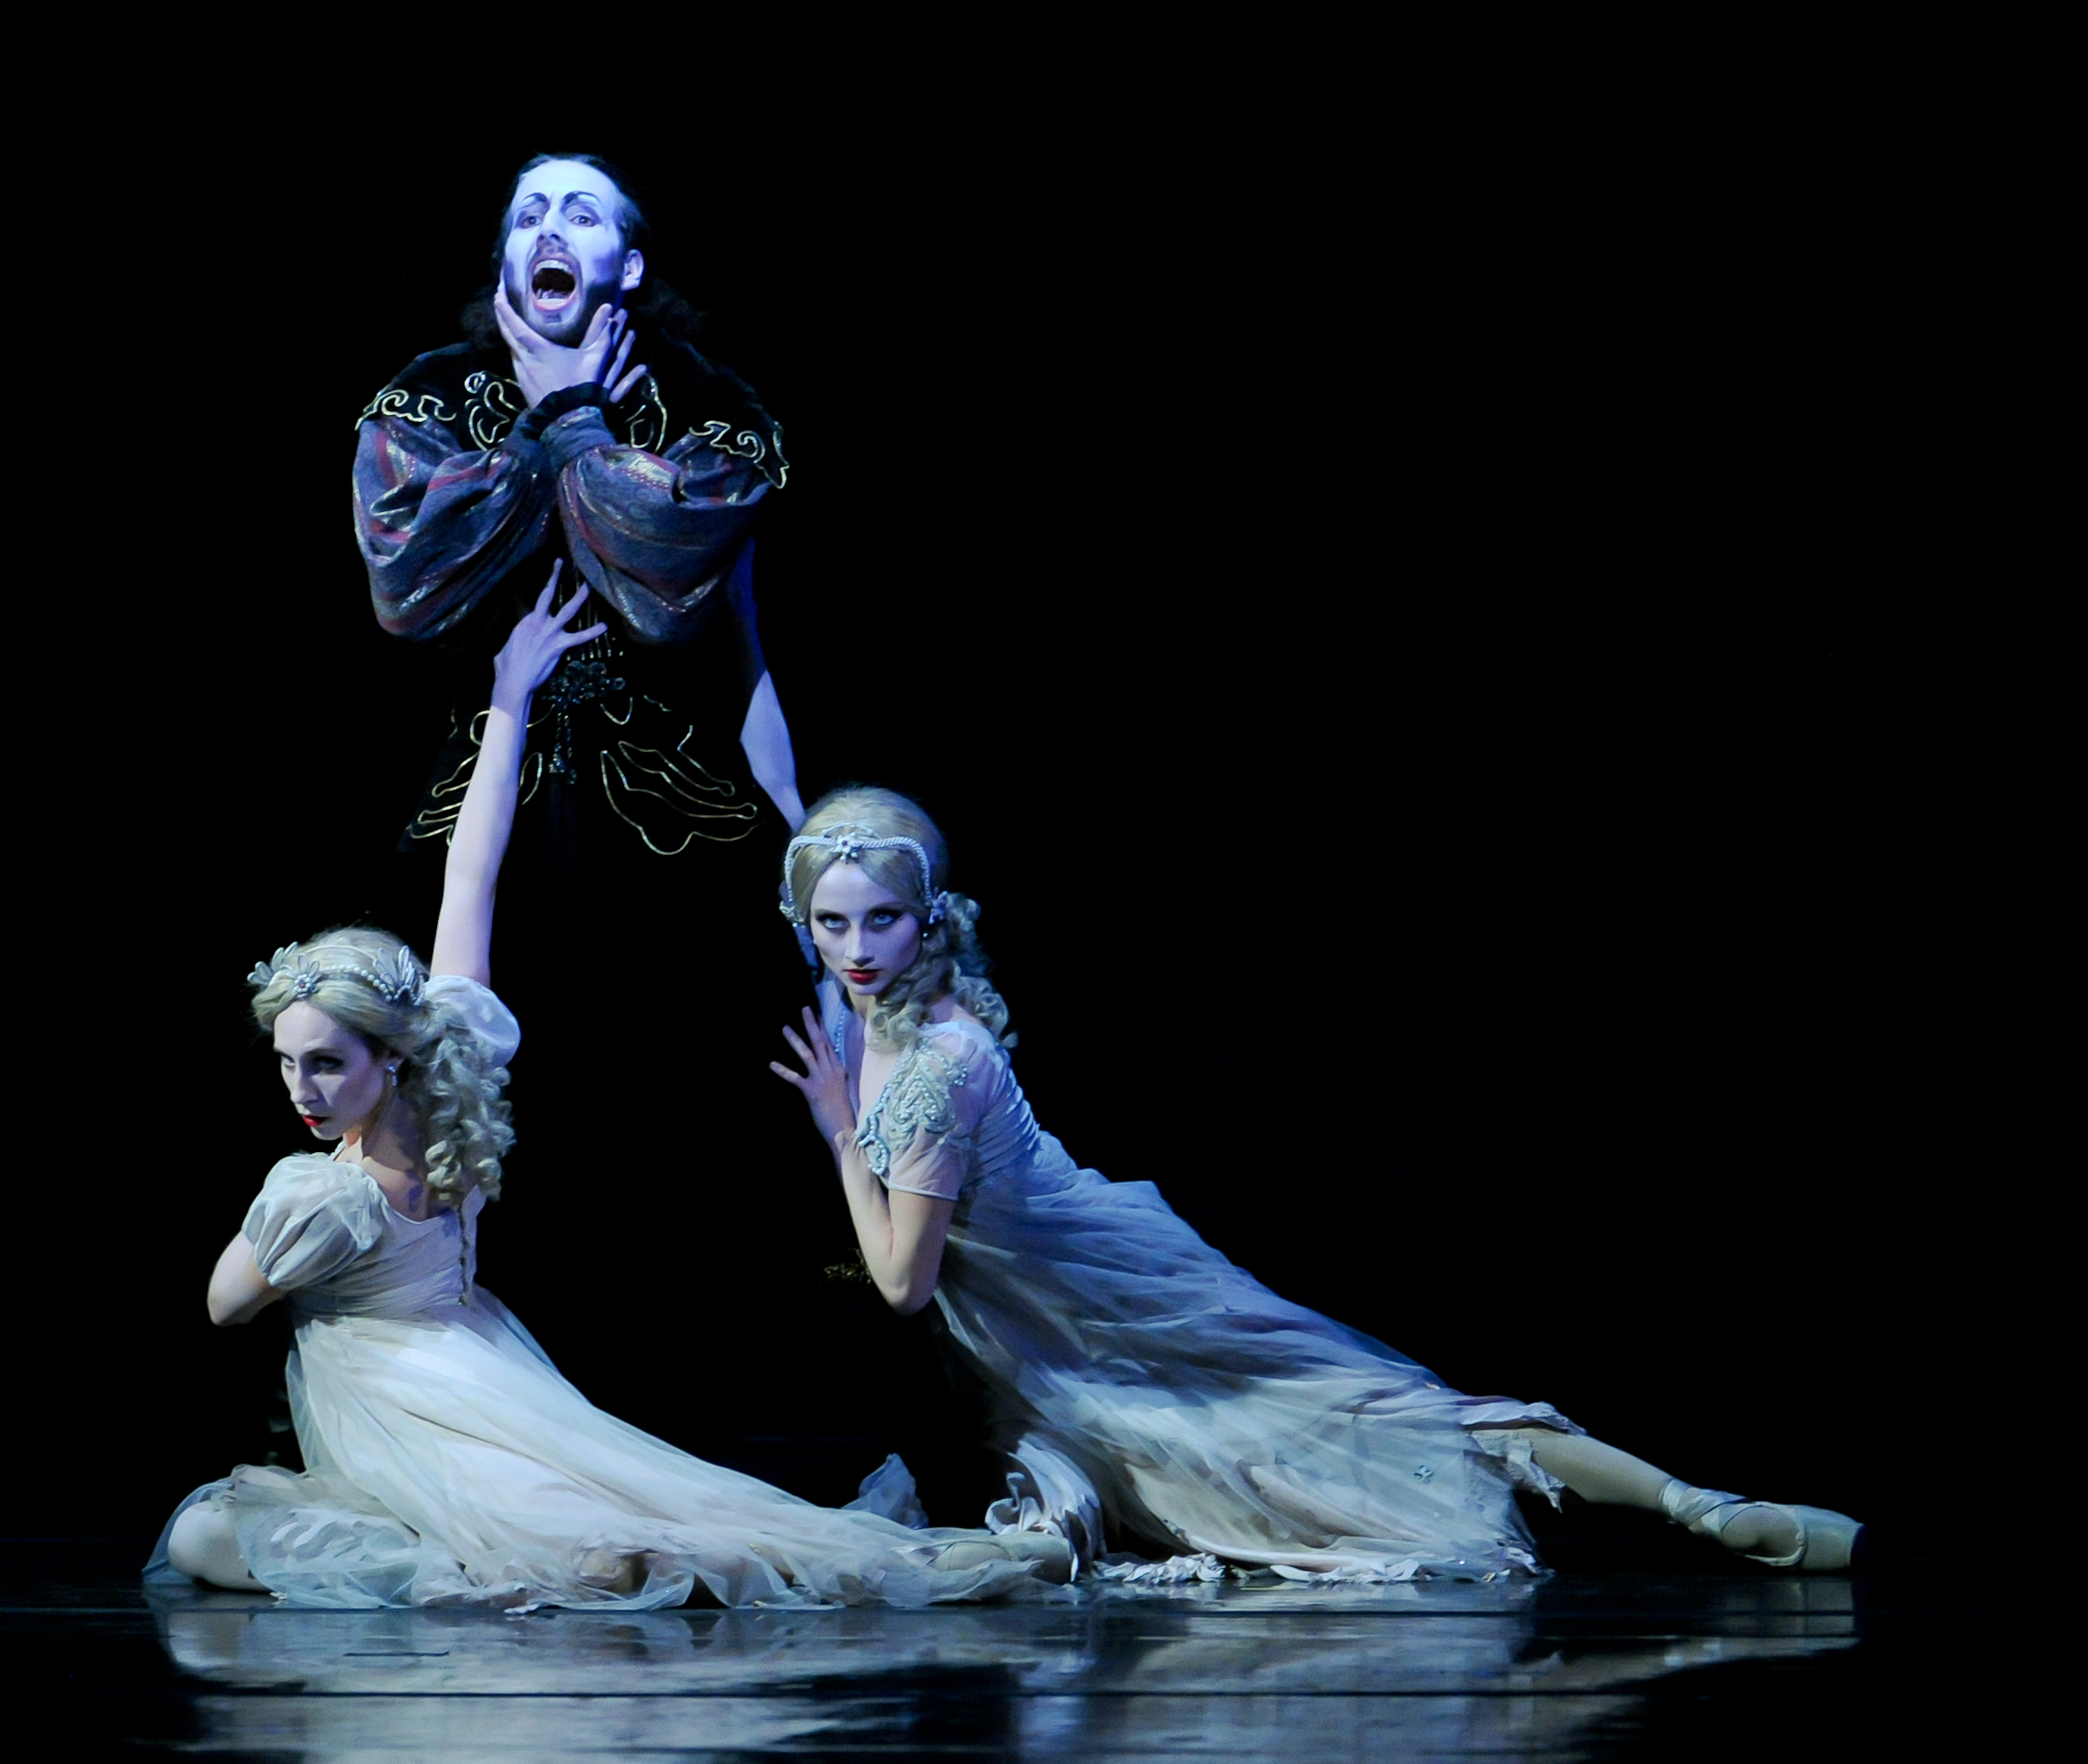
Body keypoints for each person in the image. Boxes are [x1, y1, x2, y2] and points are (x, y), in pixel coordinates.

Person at [146, 578, 1062, 1610]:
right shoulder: (457, 1073)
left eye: (324, 1064)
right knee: (578, 1506)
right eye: (287, 1064)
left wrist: (508, 701)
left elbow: (226, 1303)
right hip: (486, 1368)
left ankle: (586, 1571)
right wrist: (508, 700)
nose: (302, 1090)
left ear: (386, 1058)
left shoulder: (320, 1194)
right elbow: (468, 875)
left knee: (227, 1534)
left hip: (415, 1400)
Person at [766, 787, 1865, 1582]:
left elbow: (904, 1285)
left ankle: (1699, 1506)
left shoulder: (936, 1066)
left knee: (1334, 1427)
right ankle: (1691, 1504)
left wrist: (835, 1135)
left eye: (884, 919)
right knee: (1301, 1434)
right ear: (801, 921)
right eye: (833, 922)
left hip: (1092, 1307)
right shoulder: (871, 1011)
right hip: (1053, 1303)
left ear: (930, 918)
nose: (857, 947)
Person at [354, 151, 803, 883]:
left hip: (682, 819)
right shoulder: (427, 396)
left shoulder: (710, 402)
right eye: (529, 218)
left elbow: (669, 585)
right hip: (475, 806)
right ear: (504, 261)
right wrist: (539, 436)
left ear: (628, 267)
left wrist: (577, 426)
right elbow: (408, 584)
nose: (551, 231)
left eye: (580, 214)